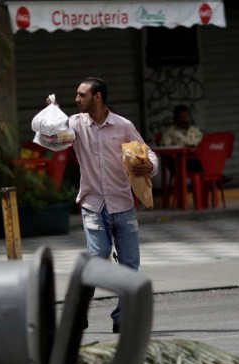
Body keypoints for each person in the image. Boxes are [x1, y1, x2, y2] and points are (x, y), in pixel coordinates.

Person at [57, 77, 158, 333]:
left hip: (123, 203)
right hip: (92, 204)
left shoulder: (123, 125)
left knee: (130, 265)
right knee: (98, 257)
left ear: (97, 97)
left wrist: (151, 166)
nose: (77, 99)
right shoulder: (74, 124)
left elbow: (148, 153)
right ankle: (78, 311)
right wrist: (51, 112)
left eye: (82, 95)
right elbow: (49, 137)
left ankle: (122, 317)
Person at [160, 104, 203, 174]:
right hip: (179, 161)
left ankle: (215, 179)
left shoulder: (194, 130)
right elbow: (165, 147)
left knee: (209, 159)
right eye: (181, 118)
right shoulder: (170, 131)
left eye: (186, 117)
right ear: (176, 118)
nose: (184, 120)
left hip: (196, 157)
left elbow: (203, 142)